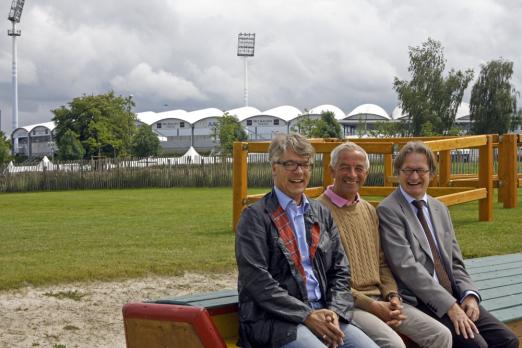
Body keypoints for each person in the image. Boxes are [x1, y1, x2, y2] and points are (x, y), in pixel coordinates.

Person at [235, 133, 378, 348]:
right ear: (274, 167)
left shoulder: (321, 212)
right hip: (275, 320)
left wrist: (335, 311)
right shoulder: (254, 217)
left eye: (305, 164)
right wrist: (307, 315)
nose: (299, 171)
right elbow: (257, 281)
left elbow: (340, 270)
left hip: (325, 312)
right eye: (290, 164)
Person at [377, 141, 519, 348]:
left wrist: (469, 295)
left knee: (508, 340)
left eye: (420, 170)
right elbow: (406, 268)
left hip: (454, 295)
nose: (414, 177)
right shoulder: (389, 210)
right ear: (398, 172)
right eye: (407, 170)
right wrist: (450, 306)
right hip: (421, 300)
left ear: (431, 173)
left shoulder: (439, 208)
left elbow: (455, 262)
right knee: (476, 346)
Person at [317, 142, 452, 347]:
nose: (352, 174)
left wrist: (393, 296)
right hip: (348, 304)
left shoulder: (369, 210)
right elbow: (326, 278)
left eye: (359, 168)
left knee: (441, 335)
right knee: (394, 345)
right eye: (345, 167)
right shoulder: (317, 212)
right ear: (332, 171)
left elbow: (381, 262)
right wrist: (372, 305)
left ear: (367, 173)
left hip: (383, 299)